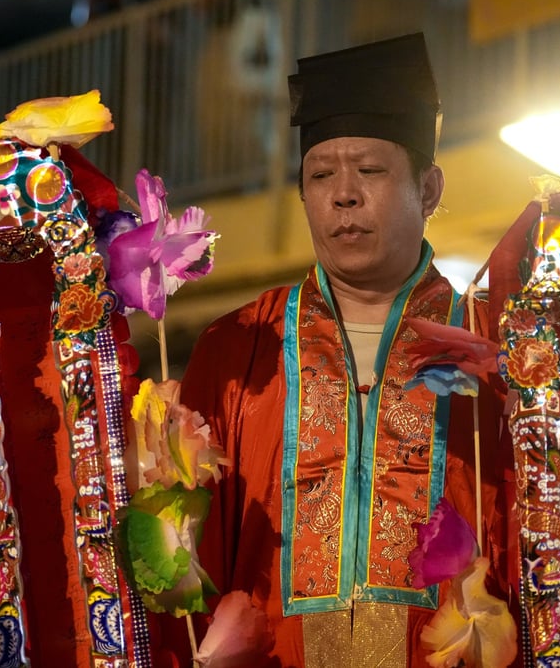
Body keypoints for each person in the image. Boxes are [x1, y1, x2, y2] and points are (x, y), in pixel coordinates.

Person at [173, 33, 487, 667]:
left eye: (370, 171)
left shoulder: (495, 348)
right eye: (320, 175)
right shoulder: (239, 349)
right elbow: (191, 566)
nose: (344, 194)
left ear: (427, 189)